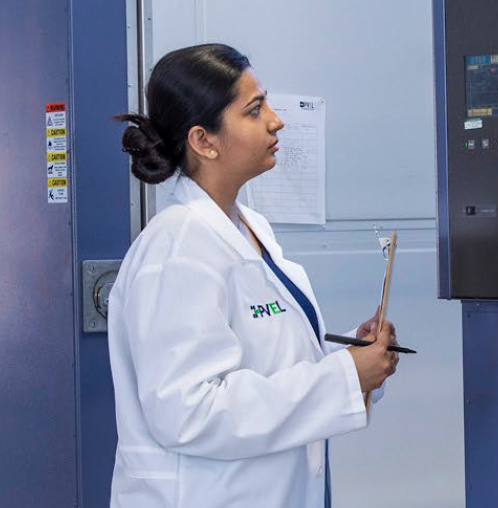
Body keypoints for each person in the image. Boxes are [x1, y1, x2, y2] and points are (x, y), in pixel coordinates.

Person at [106, 43, 398, 508]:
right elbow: (189, 412)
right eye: (254, 110)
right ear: (204, 141)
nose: (275, 121)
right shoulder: (177, 248)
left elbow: (264, 363)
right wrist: (341, 378)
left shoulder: (248, 228)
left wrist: (352, 361)